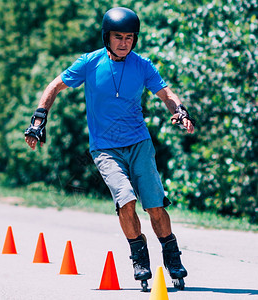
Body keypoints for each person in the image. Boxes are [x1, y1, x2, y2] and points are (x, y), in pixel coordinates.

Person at [25, 7, 194, 290]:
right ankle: (139, 258)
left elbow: (166, 93)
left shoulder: (142, 65)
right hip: (105, 149)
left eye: (129, 37)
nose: (124, 42)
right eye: (118, 37)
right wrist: (39, 120)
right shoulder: (89, 63)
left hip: (139, 144)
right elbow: (54, 86)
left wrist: (180, 111)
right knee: (125, 201)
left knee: (154, 206)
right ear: (107, 36)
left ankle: (172, 259)